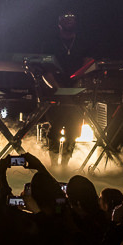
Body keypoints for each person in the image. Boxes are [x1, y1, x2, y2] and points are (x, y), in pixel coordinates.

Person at [42, 12, 94, 167]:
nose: (69, 20)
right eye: (66, 18)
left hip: (76, 89)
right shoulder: (51, 43)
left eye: (72, 18)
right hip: (55, 88)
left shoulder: (83, 42)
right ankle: (54, 165)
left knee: (74, 129)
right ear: (59, 23)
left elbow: (88, 63)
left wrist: (78, 83)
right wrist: (58, 89)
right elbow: (45, 70)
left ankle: (64, 165)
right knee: (55, 128)